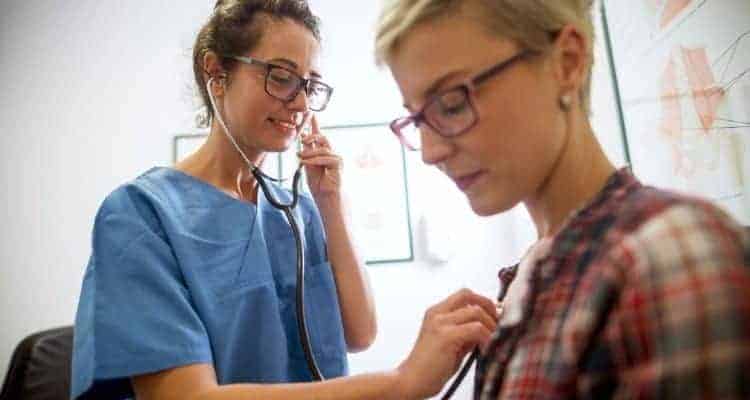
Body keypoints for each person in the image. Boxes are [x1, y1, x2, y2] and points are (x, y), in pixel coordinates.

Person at [71, 1, 500, 399]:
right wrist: (400, 384)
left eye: (309, 85)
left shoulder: (296, 210)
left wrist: (331, 203)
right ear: (216, 73)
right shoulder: (141, 215)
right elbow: (187, 397)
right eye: (281, 77)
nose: (298, 102)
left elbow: (358, 332)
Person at [374, 0, 750, 399]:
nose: (430, 152)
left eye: (452, 103)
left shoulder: (671, 256)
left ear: (567, 62)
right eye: (416, 120)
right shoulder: (531, 276)